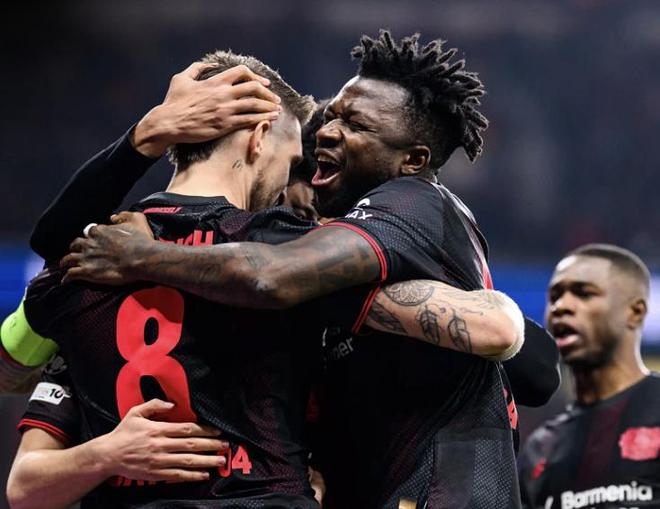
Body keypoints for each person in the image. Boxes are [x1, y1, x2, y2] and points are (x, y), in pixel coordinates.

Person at [6, 48, 526, 509]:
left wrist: (101, 452)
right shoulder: (287, 246)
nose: (292, 185)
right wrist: (501, 314)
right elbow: (498, 334)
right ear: (258, 139)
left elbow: (10, 372)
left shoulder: (86, 257)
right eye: (293, 160)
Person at [518, 244, 660, 509]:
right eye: (555, 297)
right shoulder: (540, 449)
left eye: (583, 294)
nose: (561, 306)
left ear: (635, 312)